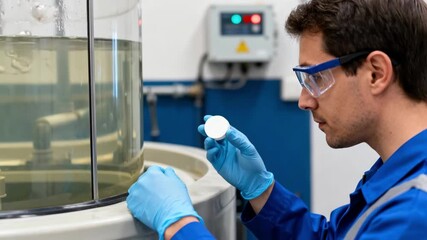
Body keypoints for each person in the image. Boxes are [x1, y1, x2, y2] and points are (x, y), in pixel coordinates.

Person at [126, 0, 427, 239]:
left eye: (316, 78)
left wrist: (179, 225)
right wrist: (261, 190)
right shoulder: (399, 172)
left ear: (376, 73)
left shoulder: (414, 213)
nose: (304, 100)